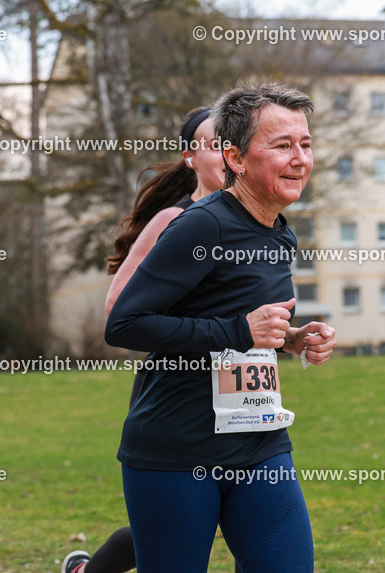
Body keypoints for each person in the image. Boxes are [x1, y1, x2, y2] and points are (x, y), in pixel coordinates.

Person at [104, 81, 336, 572]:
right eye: (282, 146)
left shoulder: (279, 232)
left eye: (306, 144)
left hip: (258, 442)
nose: (300, 159)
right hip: (177, 451)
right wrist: (238, 331)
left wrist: (291, 339)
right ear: (234, 157)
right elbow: (125, 323)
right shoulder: (201, 225)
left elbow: (243, 322)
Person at [62, 106, 227, 573]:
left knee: (227, 515)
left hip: (244, 394)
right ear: (191, 157)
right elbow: (118, 310)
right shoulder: (172, 220)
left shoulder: (257, 222)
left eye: (231, 144)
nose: (225, 154)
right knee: (181, 521)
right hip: (177, 392)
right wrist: (203, 330)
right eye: (212, 144)